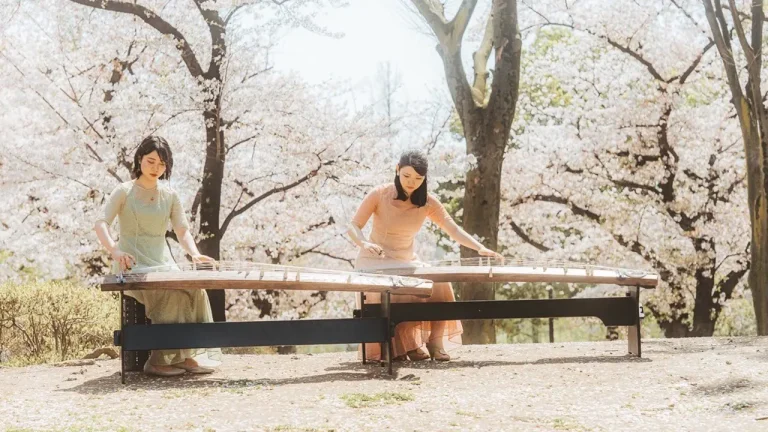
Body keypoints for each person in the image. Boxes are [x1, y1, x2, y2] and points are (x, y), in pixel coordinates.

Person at [348, 150, 503, 361]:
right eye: (407, 176)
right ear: (397, 170)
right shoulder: (379, 194)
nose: (411, 182)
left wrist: (479, 248)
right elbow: (354, 226)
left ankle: (435, 342)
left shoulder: (427, 202)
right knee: (398, 288)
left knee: (440, 283)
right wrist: (364, 243)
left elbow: (452, 229)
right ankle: (404, 346)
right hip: (375, 260)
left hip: (406, 261)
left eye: (418, 178)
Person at [94, 136, 221, 376]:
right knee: (169, 294)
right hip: (132, 264)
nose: (156, 168)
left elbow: (182, 230)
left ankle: (185, 354)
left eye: (162, 164)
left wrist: (195, 254)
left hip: (162, 262)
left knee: (195, 291)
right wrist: (115, 250)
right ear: (139, 159)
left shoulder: (170, 195)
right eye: (151, 161)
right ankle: (157, 360)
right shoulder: (124, 191)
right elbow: (101, 223)